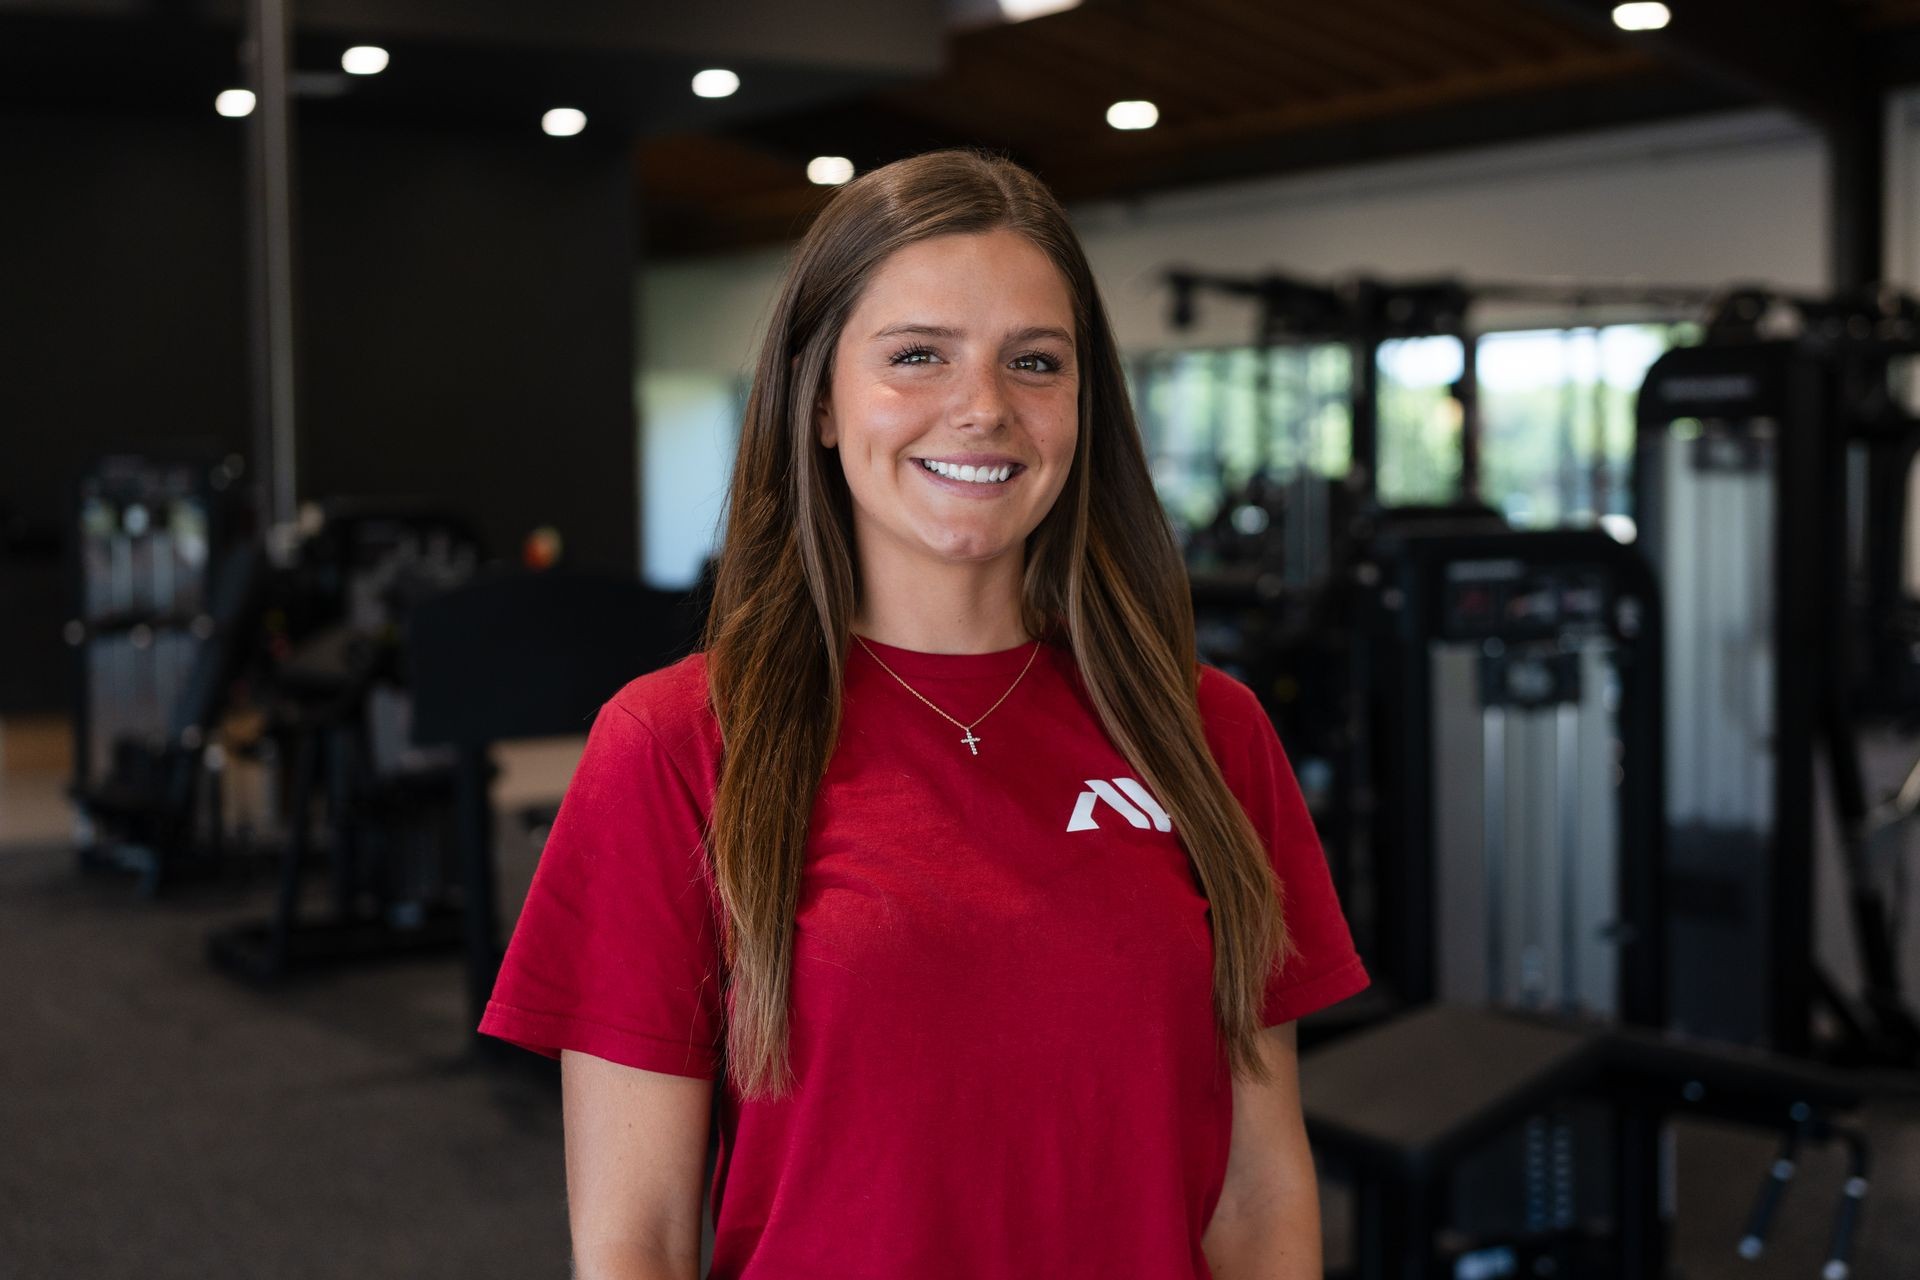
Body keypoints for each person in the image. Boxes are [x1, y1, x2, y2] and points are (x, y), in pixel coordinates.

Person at [478, 148, 1369, 1280]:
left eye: (1034, 362)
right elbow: (635, 1243)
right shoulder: (676, 743)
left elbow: (1259, 1195)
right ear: (817, 401)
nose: (984, 407)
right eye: (917, 356)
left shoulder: (1206, 731)